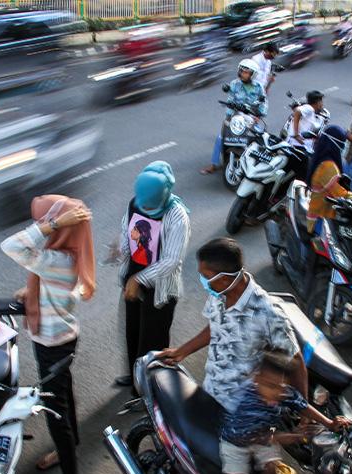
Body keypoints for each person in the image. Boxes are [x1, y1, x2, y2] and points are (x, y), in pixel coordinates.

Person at [0, 195, 96, 474]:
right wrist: (30, 293)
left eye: (44, 221)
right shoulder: (67, 254)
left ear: (61, 228)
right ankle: (72, 444)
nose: (40, 225)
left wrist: (53, 224)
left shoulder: (55, 260)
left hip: (52, 344)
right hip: (63, 339)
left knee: (56, 412)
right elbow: (50, 288)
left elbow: (10, 246)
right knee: (64, 392)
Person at [157, 237, 308, 416]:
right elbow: (216, 326)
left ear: (225, 279)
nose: (203, 281)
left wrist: (303, 411)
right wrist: (182, 351)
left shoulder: (267, 313)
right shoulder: (219, 292)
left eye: (206, 277)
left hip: (243, 413)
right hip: (213, 391)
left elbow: (295, 360)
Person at [219, 350, 350, 474]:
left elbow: (303, 406)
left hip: (263, 434)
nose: (277, 393)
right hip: (237, 442)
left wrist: (329, 423)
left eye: (281, 387)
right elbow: (265, 438)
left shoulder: (281, 392)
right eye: (271, 386)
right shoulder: (246, 404)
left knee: (271, 472)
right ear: (257, 379)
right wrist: (297, 437)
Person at [115, 162, 190, 388]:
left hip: (160, 285)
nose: (145, 208)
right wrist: (121, 250)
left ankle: (150, 389)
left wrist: (139, 279)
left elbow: (172, 260)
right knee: (133, 330)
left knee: (153, 339)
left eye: (151, 205)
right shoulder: (135, 203)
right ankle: (135, 375)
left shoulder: (178, 216)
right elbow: (126, 231)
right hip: (134, 276)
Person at [202, 59, 267, 175]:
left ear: (252, 74)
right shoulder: (234, 84)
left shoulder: (258, 87)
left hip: (251, 117)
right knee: (220, 138)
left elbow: (264, 103)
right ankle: (214, 164)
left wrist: (258, 115)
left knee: (260, 139)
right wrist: (229, 116)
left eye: (247, 72)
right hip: (236, 116)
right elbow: (230, 100)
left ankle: (257, 163)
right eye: (242, 71)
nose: (243, 74)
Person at [308, 125, 352, 233]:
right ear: (335, 144)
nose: (344, 146)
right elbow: (341, 195)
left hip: (320, 209)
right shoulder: (328, 166)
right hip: (320, 219)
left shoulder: (321, 158)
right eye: (343, 143)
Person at [285, 90, 327, 179]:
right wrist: (296, 135)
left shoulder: (310, 112)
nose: (322, 104)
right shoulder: (309, 108)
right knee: (305, 176)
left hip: (300, 147)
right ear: (317, 102)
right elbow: (297, 112)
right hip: (297, 147)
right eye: (321, 101)